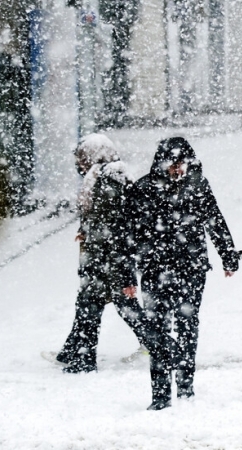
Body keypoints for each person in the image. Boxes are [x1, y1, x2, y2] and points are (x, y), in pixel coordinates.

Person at [125, 136, 242, 410]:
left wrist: (228, 256)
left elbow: (215, 220)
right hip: (155, 271)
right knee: (156, 329)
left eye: (182, 164)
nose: (177, 169)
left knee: (188, 325)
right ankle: (160, 394)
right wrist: (128, 276)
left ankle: (186, 388)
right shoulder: (144, 189)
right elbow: (128, 236)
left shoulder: (197, 186)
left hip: (191, 269)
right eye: (172, 164)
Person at [48, 134, 159, 373]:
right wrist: (86, 230)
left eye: (82, 157)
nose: (79, 163)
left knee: (96, 305)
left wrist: (120, 264)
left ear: (94, 155)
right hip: (103, 257)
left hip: (107, 259)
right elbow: (102, 218)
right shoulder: (101, 176)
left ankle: (84, 359)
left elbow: (116, 224)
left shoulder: (108, 179)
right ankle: (74, 353)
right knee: (94, 305)